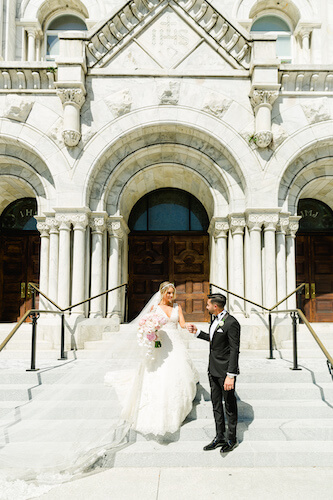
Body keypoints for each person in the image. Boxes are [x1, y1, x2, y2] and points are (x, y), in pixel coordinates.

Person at [108, 281, 199, 437]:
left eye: (172, 293)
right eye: (168, 293)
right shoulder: (154, 308)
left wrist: (188, 326)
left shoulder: (178, 308)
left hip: (175, 341)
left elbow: (182, 323)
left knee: (181, 369)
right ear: (162, 293)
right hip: (160, 343)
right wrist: (151, 331)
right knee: (159, 372)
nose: (171, 296)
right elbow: (145, 325)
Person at [187, 293, 240, 454]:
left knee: (229, 405)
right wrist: (197, 333)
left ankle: (231, 438)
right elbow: (214, 340)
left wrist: (231, 375)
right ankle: (219, 437)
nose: (206, 307)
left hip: (225, 372)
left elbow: (234, 350)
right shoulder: (215, 320)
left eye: (208, 305)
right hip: (213, 369)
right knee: (216, 404)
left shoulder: (232, 323)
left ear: (215, 306)